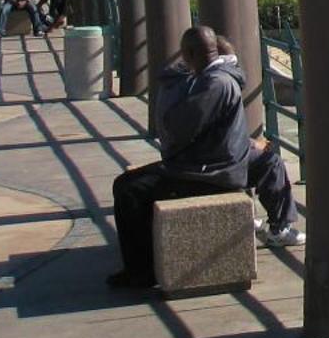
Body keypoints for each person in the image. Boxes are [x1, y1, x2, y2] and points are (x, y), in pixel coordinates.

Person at [106, 25, 251, 289]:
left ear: (190, 53)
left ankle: (141, 271)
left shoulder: (215, 83)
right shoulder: (217, 77)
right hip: (207, 164)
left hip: (212, 173)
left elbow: (179, 128)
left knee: (129, 190)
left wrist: (173, 92)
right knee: (129, 183)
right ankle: (144, 263)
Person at [210, 36, 304, 247]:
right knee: (271, 163)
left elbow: (210, 132)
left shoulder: (185, 82)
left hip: (190, 160)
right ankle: (279, 229)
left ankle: (249, 215)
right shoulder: (221, 84)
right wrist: (252, 144)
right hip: (210, 166)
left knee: (251, 156)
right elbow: (223, 142)